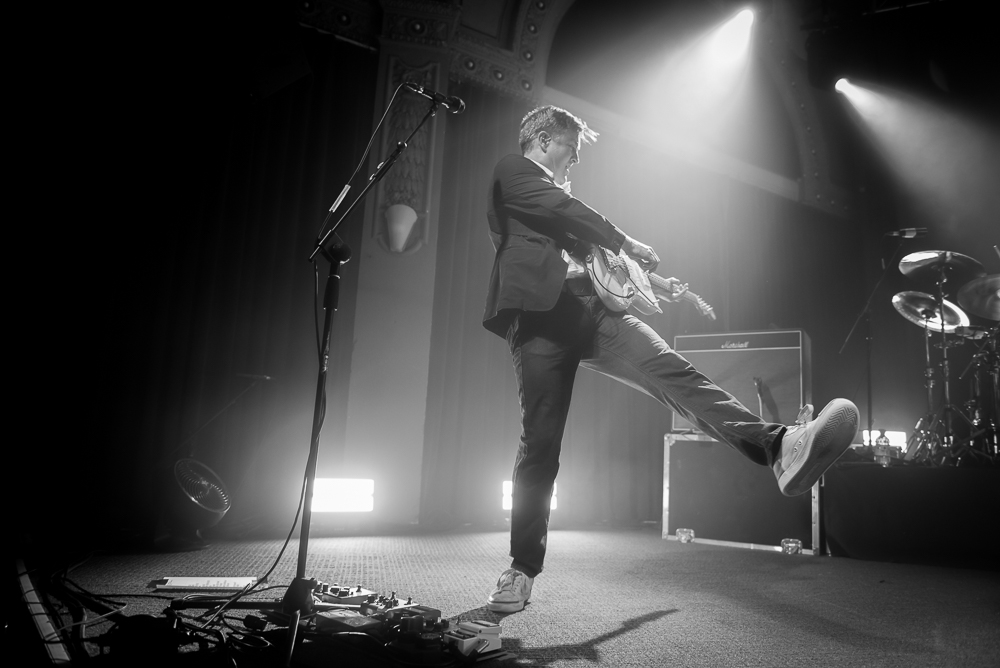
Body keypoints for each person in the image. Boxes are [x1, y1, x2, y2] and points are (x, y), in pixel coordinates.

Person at [482, 105, 859, 613]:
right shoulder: (514, 172)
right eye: (572, 148)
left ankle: (780, 446)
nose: (576, 159)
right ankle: (522, 568)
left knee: (676, 375)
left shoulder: (558, 200)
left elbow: (596, 255)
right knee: (541, 443)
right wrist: (627, 240)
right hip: (539, 318)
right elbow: (571, 215)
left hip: (594, 312)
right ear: (545, 139)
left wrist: (652, 280)